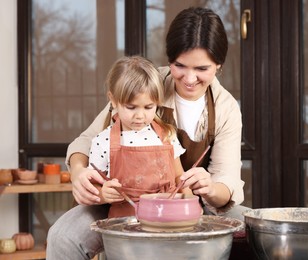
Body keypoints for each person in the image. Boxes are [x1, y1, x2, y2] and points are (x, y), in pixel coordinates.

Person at [47, 7, 247, 260]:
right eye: (179, 65)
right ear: (169, 58)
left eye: (202, 69)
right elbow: (86, 141)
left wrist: (209, 188)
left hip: (190, 204)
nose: (189, 78)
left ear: (218, 65)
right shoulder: (145, 83)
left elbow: (226, 184)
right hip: (123, 201)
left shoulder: (226, 107)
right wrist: (78, 173)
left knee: (253, 229)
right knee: (62, 237)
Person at [87, 55, 190, 218]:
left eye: (149, 107)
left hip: (167, 220)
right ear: (113, 100)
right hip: (124, 225)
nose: (140, 116)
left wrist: (189, 200)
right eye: (131, 107)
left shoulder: (166, 135)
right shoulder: (103, 141)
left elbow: (180, 177)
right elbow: (92, 187)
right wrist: (102, 195)